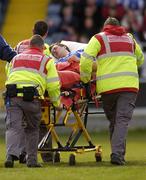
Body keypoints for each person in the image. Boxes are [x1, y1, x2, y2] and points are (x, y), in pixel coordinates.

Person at [80, 17, 144, 165]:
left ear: (105, 27)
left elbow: (85, 60)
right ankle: (117, 154)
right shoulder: (130, 39)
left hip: (107, 88)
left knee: (115, 121)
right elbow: (140, 59)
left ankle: (117, 154)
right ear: (119, 26)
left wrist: (85, 80)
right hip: (129, 87)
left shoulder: (98, 38)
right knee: (121, 121)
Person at [4, 35, 61, 168]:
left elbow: (10, 73)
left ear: (29, 46)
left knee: (13, 127)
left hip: (12, 95)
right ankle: (32, 161)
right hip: (31, 98)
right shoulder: (46, 60)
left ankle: (10, 156)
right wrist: (57, 103)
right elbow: (53, 84)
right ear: (42, 47)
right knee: (32, 129)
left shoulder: (16, 58)